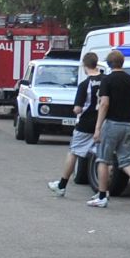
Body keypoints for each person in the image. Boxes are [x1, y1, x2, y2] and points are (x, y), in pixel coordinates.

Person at [88, 48, 130, 208]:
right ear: (122, 62)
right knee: (127, 161)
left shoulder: (107, 80)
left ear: (108, 63)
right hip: (129, 125)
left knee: (103, 160)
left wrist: (98, 127)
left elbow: (104, 103)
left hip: (112, 124)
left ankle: (102, 196)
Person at [48, 51, 101, 196]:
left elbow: (78, 109)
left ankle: (62, 185)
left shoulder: (85, 84)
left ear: (85, 65)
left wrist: (76, 109)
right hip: (102, 123)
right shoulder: (106, 80)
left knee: (74, 152)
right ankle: (102, 191)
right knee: (102, 157)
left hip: (85, 124)